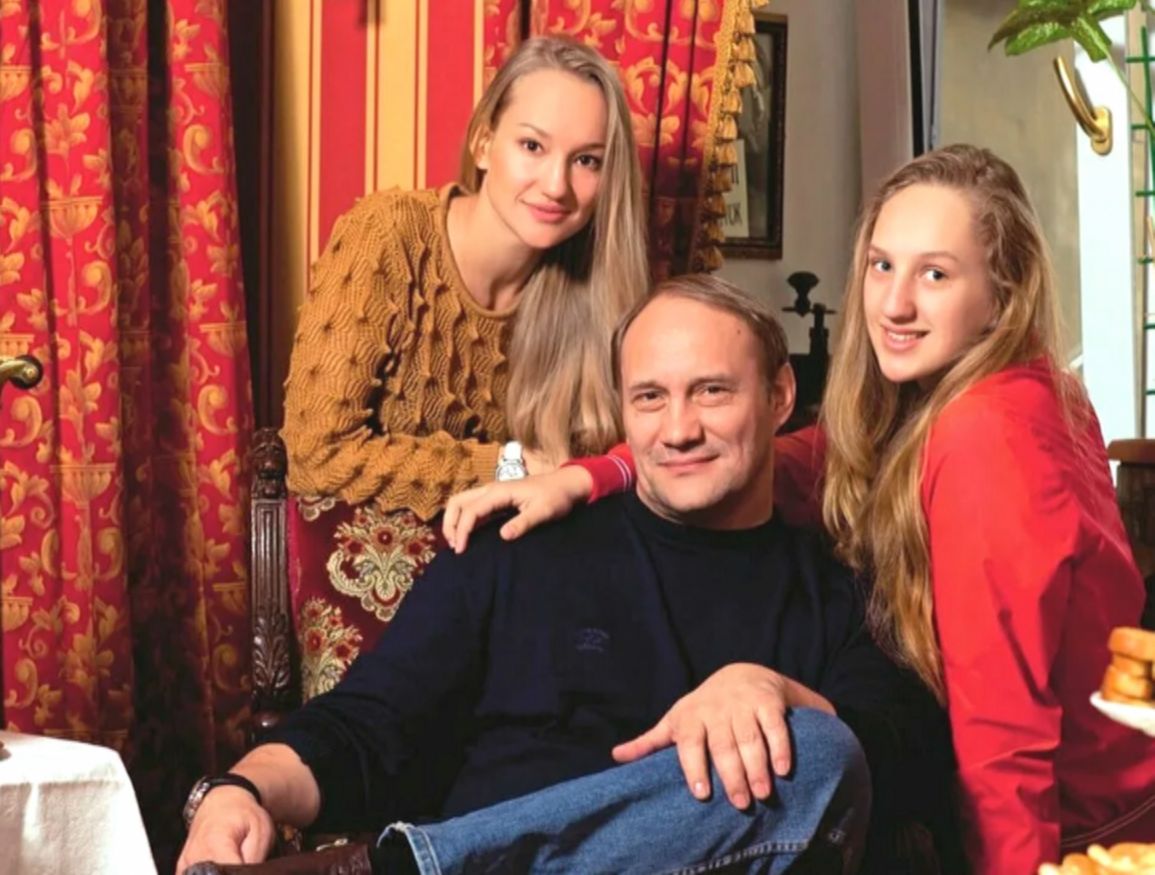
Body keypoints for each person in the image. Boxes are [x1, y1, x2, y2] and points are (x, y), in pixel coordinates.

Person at [443, 145, 1155, 873]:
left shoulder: (987, 437)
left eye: (935, 274)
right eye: (881, 265)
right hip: (1102, 813)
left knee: (812, 752)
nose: (894, 305)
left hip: (1073, 841)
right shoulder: (975, 394)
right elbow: (804, 456)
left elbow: (1005, 738)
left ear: (1002, 293)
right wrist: (596, 475)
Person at [177, 276, 949, 874]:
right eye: (650, 398)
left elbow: (903, 759)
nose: (678, 428)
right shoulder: (517, 547)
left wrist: (774, 689)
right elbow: (366, 724)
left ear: (778, 396)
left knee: (818, 750)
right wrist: (239, 790)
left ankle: (424, 865)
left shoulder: (839, 592)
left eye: (711, 391)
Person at [280, 35, 649, 522]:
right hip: (377, 555)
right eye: (532, 146)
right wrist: (511, 466)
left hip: (513, 556)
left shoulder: (596, 283)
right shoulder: (389, 233)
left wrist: (575, 478)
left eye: (587, 161)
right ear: (483, 144)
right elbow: (315, 455)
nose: (556, 185)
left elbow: (643, 451)